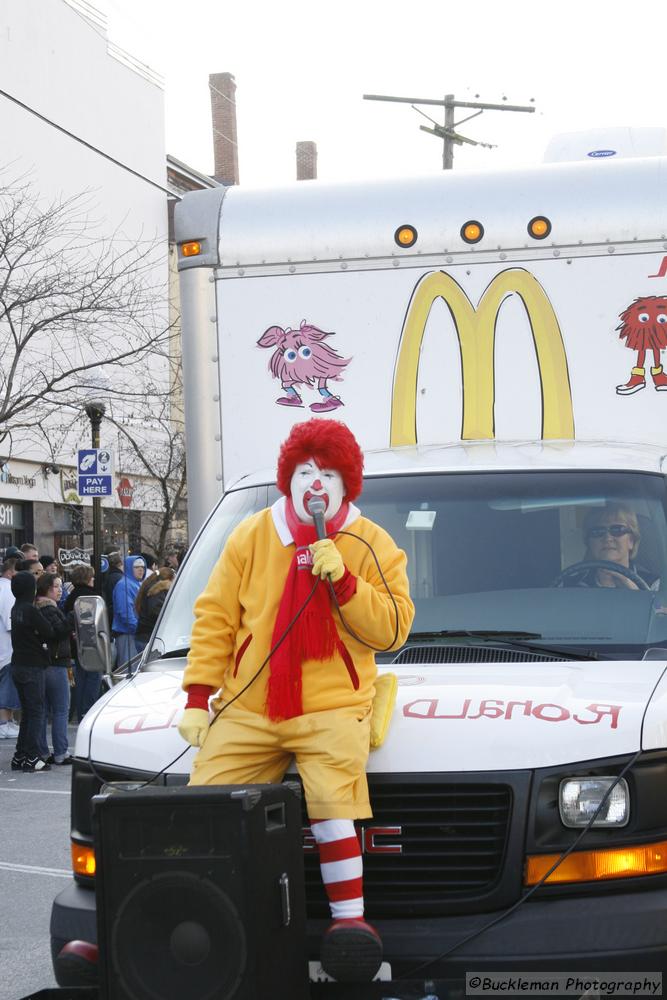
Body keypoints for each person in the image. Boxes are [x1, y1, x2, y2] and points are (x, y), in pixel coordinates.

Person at [177, 419, 414, 982]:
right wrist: (197, 694)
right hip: (249, 706)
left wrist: (348, 586)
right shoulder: (251, 535)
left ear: (346, 484)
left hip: (333, 706)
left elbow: (393, 630)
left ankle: (349, 928)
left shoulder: (371, 541)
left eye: (328, 473)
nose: (316, 483)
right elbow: (215, 617)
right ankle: (196, 916)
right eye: (306, 471)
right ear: (289, 479)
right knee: (203, 805)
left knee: (334, 808)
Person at [10, 571, 54, 772]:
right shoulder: (30, 610)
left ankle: (20, 754)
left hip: (18, 664)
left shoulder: (16, 608)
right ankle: (32, 757)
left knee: (27, 712)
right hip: (33, 665)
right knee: (36, 712)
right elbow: (48, 631)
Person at [35, 573, 75, 765]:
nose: (60, 591)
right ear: (47, 589)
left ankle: (43, 751)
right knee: (60, 710)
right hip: (56, 662)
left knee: (44, 710)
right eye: (57, 587)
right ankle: (61, 752)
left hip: (45, 663)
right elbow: (58, 631)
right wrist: (72, 618)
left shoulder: (39, 607)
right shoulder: (49, 608)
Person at [574, 504, 653, 589]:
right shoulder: (570, 587)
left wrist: (638, 595)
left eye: (617, 530)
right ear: (589, 542)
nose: (607, 538)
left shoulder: (655, 586)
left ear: (631, 541)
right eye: (597, 531)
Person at [64, 565, 101, 721]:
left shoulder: (72, 596)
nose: (93, 579)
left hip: (75, 643)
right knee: (93, 678)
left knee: (81, 678)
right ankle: (87, 712)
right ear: (86, 578)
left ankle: (80, 712)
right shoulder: (89, 596)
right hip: (89, 643)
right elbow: (90, 621)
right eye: (91, 577)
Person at [112, 555, 146, 673]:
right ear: (128, 568)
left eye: (142, 566)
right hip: (128, 635)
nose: (141, 569)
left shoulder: (138, 584)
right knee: (129, 673)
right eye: (136, 567)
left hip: (137, 634)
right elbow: (125, 613)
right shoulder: (123, 585)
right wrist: (139, 628)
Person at [0, 557, 20, 739]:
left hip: (3, 647)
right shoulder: (7, 590)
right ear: (10, 572)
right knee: (7, 685)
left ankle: (8, 721)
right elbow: (10, 622)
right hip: (7, 648)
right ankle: (4, 722)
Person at [135, 567, 175, 652]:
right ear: (169, 580)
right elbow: (156, 612)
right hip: (149, 638)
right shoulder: (158, 591)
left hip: (144, 636)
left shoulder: (149, 587)